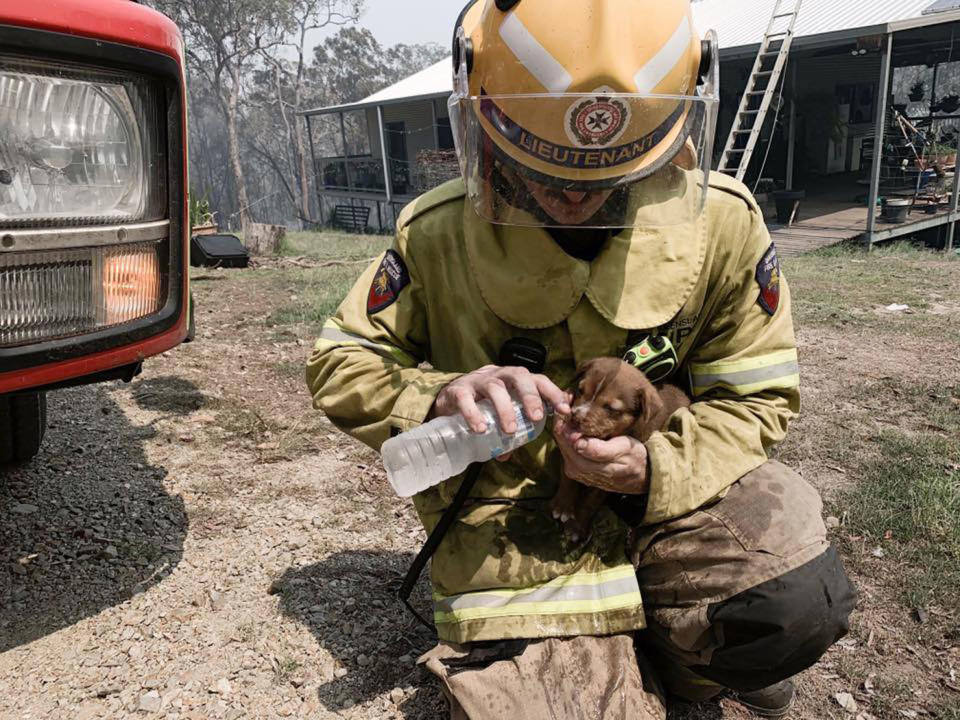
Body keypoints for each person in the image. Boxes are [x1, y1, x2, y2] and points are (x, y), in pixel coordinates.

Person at [306, 1, 856, 717]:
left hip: (670, 502)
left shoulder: (724, 223)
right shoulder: (436, 234)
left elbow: (759, 397)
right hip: (514, 525)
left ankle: (698, 667)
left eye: (603, 182)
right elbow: (340, 364)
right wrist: (438, 397)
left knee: (793, 600)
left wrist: (655, 468)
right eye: (547, 174)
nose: (572, 196)